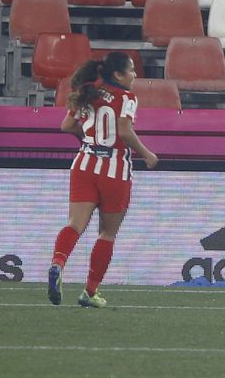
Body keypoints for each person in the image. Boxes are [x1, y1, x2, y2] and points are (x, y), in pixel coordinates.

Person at [48, 52, 159, 309]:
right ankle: (89, 291)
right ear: (118, 75)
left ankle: (57, 263)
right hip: (115, 169)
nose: (134, 75)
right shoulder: (127, 98)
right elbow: (123, 129)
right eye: (131, 70)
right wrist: (147, 154)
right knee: (107, 234)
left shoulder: (87, 91)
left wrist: (88, 139)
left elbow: (66, 125)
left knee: (75, 224)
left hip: (84, 164)